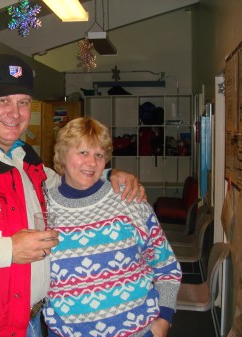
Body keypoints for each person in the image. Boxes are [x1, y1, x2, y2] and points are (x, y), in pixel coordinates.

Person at [0, 54, 146, 337]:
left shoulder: (23, 158)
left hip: (30, 322)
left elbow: (65, 181)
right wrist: (9, 250)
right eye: (3, 100)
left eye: (23, 102)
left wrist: (110, 175)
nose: (15, 112)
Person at [43, 117, 182, 337]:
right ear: (61, 154)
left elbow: (167, 266)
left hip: (138, 331)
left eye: (99, 155)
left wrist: (164, 320)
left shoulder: (128, 199)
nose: (92, 162)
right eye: (83, 153)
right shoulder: (42, 207)